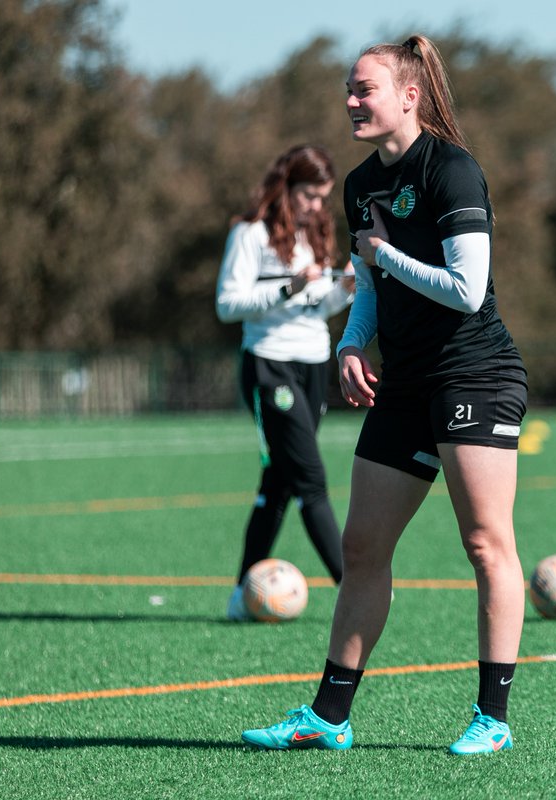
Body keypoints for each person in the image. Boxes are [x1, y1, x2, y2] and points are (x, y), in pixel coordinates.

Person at [240, 34, 527, 755]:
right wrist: (347, 345)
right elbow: (368, 285)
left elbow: (466, 292)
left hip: (475, 375)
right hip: (403, 382)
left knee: (485, 544)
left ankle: (491, 719)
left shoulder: (453, 171)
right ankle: (329, 717)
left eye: (363, 89)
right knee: (363, 546)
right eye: (347, 88)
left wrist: (383, 254)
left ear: (410, 95)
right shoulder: (362, 184)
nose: (350, 101)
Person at [215, 145, 354, 620]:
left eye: (323, 197)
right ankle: (354, 584)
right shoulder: (250, 232)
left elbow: (317, 308)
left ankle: (241, 596)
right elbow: (227, 304)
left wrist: (344, 291)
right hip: (268, 365)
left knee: (277, 484)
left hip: (313, 362)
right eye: (310, 195)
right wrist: (289, 285)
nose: (317, 206)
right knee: (311, 479)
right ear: (286, 187)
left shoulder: (315, 231)